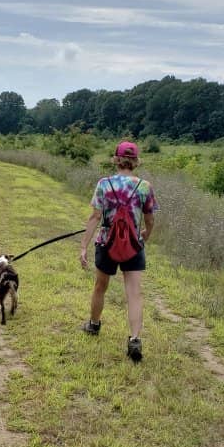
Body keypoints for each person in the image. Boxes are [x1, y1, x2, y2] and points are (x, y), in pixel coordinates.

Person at [79, 140, 159, 362]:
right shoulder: (145, 186)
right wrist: (146, 234)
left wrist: (84, 245)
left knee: (100, 286)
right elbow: (150, 220)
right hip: (133, 244)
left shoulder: (104, 184)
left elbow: (95, 216)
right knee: (134, 293)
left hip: (106, 243)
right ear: (136, 161)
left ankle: (94, 325)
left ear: (115, 159)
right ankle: (134, 339)